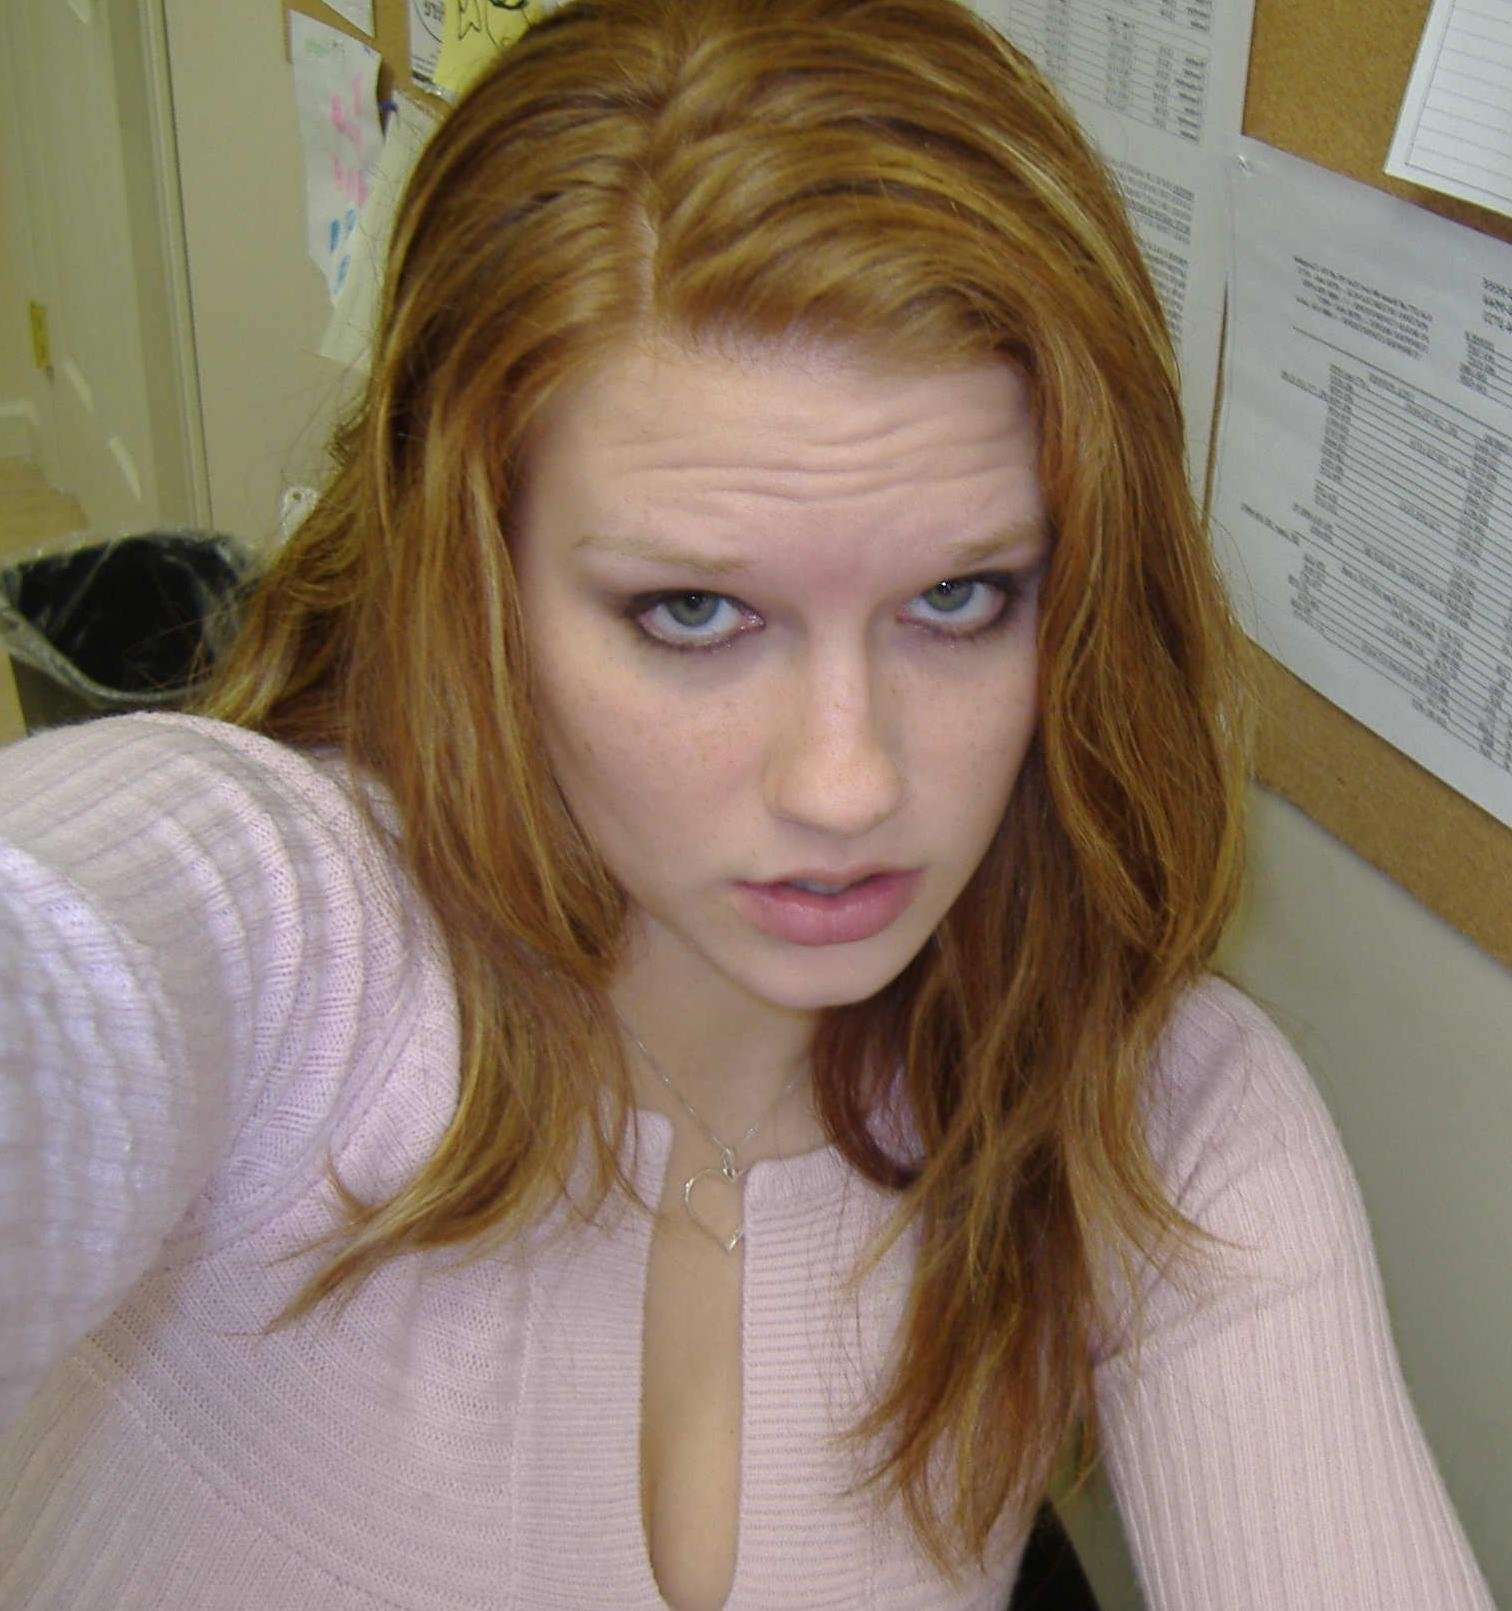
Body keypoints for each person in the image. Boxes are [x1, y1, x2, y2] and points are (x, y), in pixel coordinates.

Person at [0, 1, 1495, 1607]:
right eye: (693, 612)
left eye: (962, 597)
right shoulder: (292, 935)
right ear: (477, 581)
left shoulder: (1157, 1106)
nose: (847, 785)